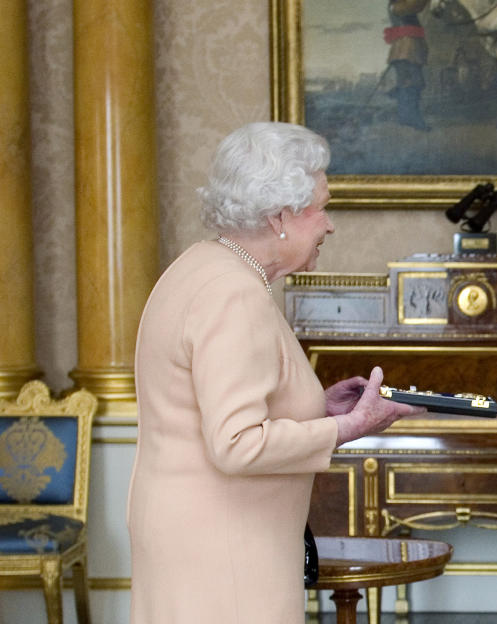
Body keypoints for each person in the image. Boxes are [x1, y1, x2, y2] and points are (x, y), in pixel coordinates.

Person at [126, 121, 425, 623]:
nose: (329, 225)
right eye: (322, 207)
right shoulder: (234, 293)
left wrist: (317, 407)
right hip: (225, 544)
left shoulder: (203, 266)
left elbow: (218, 403)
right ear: (281, 216)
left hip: (194, 531)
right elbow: (237, 442)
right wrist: (347, 427)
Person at [384, 0, 431, 130]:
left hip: (411, 46)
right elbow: (414, 5)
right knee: (409, 82)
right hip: (405, 47)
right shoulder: (396, 6)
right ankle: (409, 117)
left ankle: (408, 117)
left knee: (413, 82)